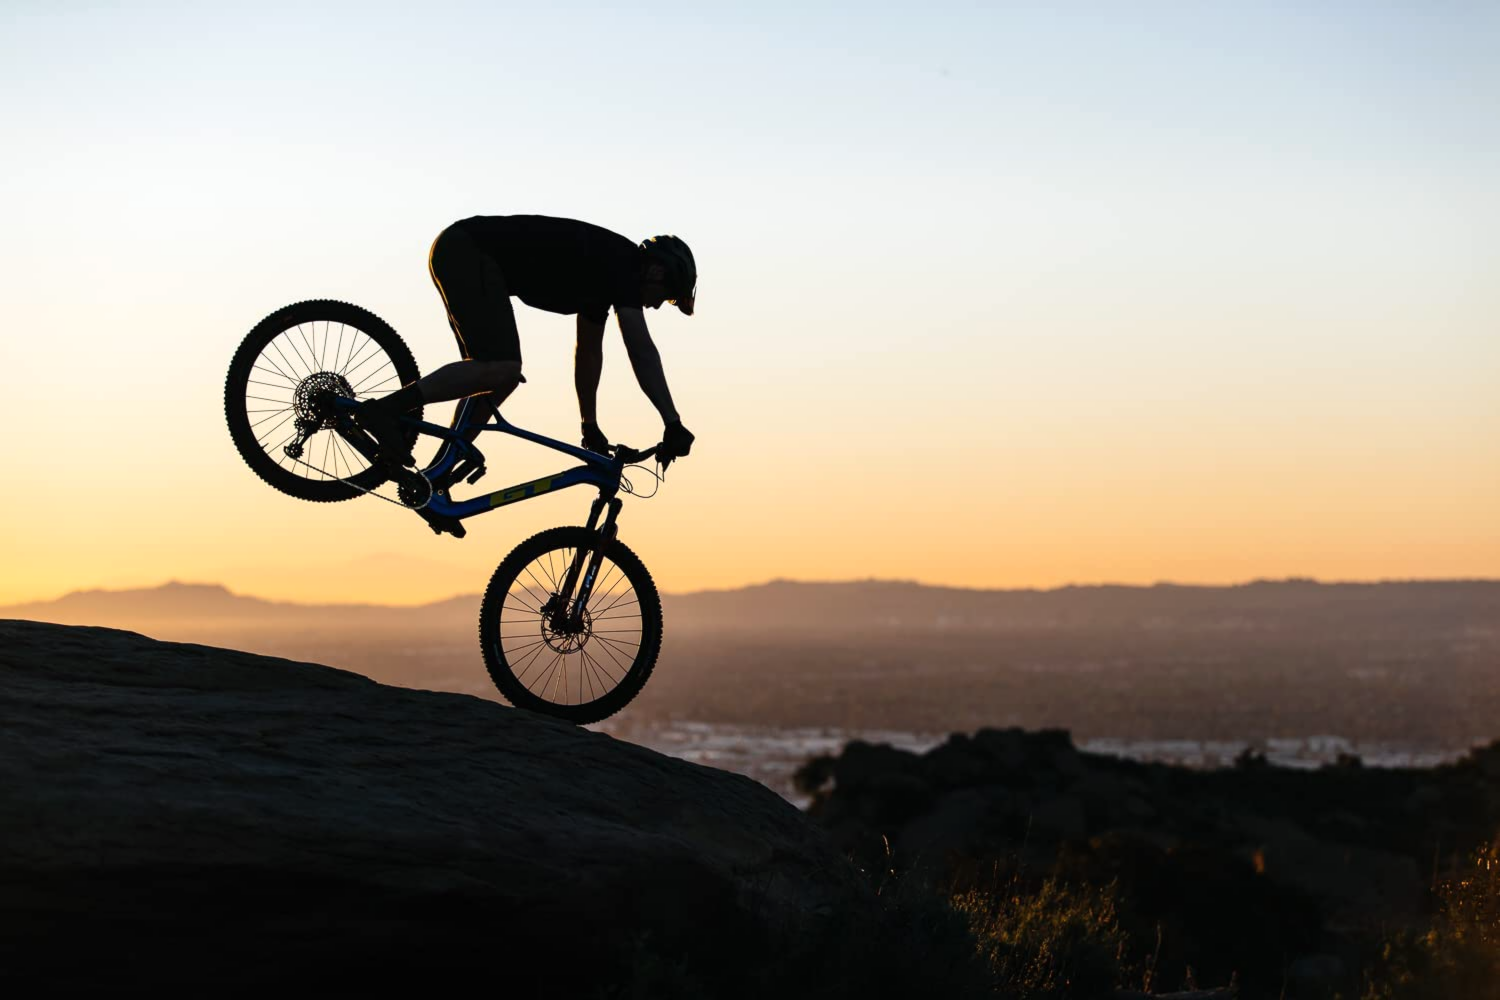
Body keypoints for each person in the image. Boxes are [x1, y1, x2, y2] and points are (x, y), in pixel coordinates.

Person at [354, 214, 696, 473]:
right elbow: (641, 350)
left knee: (496, 377)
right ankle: (386, 411)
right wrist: (672, 421)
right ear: (656, 273)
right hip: (469, 250)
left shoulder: (605, 277)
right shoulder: (624, 266)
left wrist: (588, 426)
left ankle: (436, 475)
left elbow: (589, 354)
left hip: (461, 249)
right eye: (666, 297)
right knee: (502, 365)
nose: (655, 305)